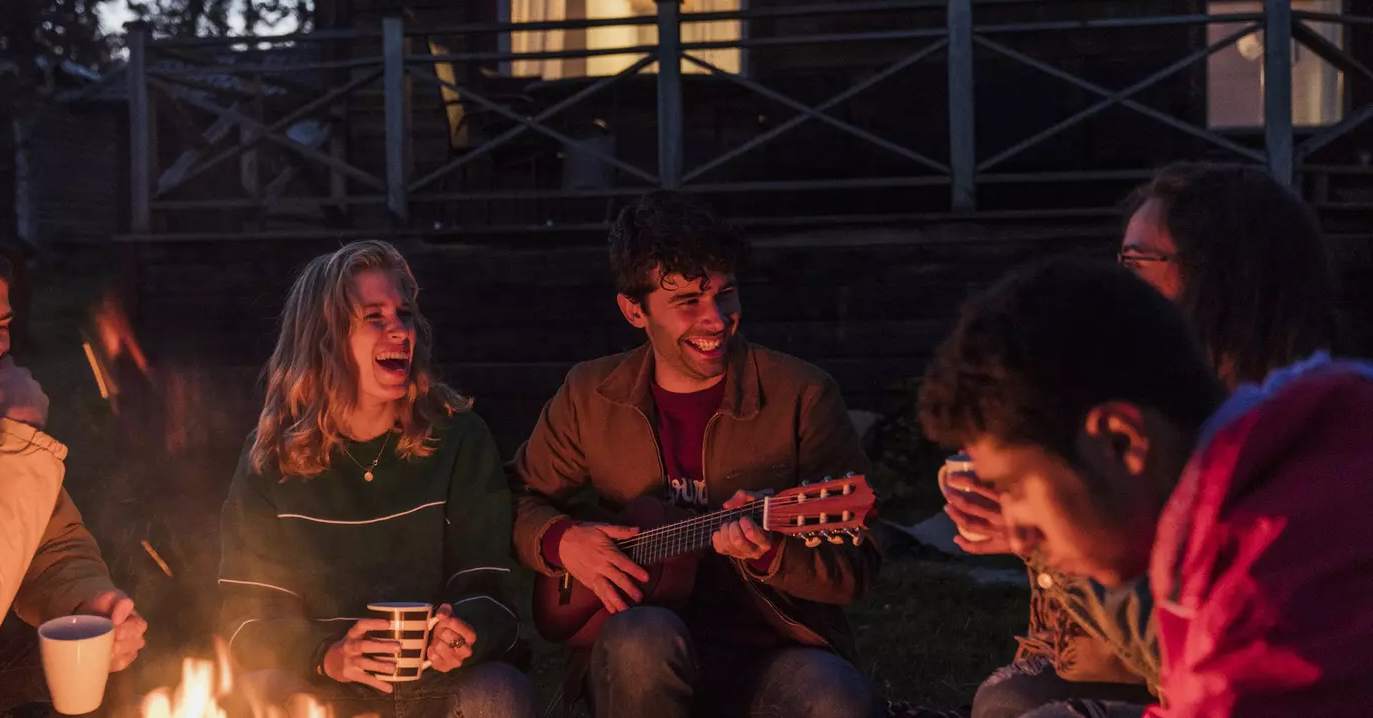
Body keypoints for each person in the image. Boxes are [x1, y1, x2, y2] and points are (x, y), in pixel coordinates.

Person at [939, 164, 1337, 718]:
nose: (1119, 281)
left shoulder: (1287, 462)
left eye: (1136, 261)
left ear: (1224, 273)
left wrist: (1046, 537)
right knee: (1011, 700)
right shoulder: (1202, 413)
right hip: (1139, 670)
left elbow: (1195, 661)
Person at [507, 190, 884, 718]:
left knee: (838, 699)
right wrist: (562, 540)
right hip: (644, 645)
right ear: (633, 310)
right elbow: (516, 496)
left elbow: (858, 561)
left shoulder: (802, 395)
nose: (715, 320)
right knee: (641, 638)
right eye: (687, 302)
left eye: (725, 294)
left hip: (774, 649)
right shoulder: (590, 395)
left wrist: (772, 554)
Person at [218, 240, 534, 718]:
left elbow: (491, 592)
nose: (399, 331)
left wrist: (466, 631)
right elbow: (246, 617)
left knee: (499, 694)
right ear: (323, 339)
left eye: (404, 314)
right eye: (374, 318)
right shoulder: (272, 460)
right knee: (251, 694)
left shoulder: (457, 438)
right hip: (320, 691)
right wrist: (326, 655)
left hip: (441, 685)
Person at [0, 216, 146, 717]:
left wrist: (82, 604)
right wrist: (24, 421)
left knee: (77, 658)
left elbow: (50, 544)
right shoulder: (2, 413)